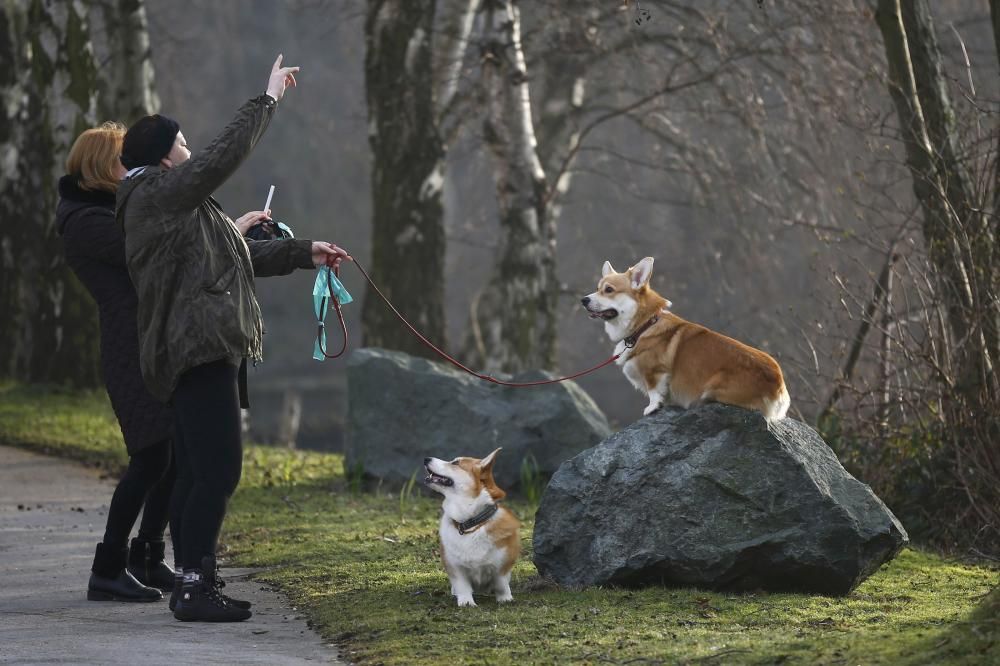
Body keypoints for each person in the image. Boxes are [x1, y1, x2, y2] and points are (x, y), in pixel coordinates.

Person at [117, 54, 351, 623]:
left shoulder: (166, 202)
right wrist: (267, 98)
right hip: (196, 351)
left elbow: (230, 259)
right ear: (163, 157)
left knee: (198, 473)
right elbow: (220, 158)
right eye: (183, 144)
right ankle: (195, 586)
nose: (191, 152)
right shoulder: (155, 193)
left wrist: (303, 253)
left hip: (203, 347)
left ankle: (197, 581)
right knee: (219, 471)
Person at [56, 123, 177, 602]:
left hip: (148, 342)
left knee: (172, 454)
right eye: (125, 159)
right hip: (131, 349)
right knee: (150, 456)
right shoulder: (88, 221)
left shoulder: (106, 212)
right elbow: (145, 254)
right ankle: (107, 568)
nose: (132, 167)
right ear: (105, 166)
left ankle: (145, 556)